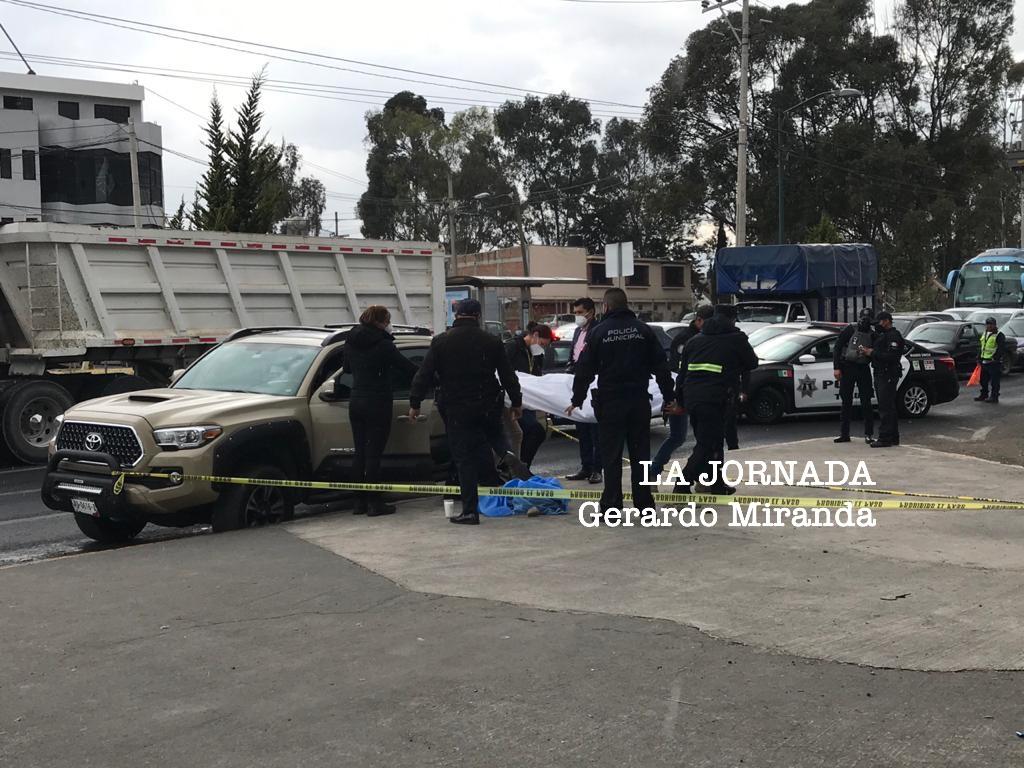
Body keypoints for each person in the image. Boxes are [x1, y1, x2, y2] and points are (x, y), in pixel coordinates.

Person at [409, 298, 522, 525]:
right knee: (489, 444)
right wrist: (517, 402)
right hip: (489, 404)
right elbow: (508, 375)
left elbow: (424, 374)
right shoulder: (492, 341)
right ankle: (503, 472)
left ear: (457, 315)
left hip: (457, 408)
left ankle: (470, 510)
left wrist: (415, 402)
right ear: (478, 316)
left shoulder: (441, 342)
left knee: (464, 458)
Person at [566, 288, 674, 514]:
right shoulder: (643, 330)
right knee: (640, 456)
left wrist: (577, 398)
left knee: (611, 457)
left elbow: (584, 369)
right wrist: (669, 397)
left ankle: (611, 507)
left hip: (611, 403)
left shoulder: (599, 332)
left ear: (605, 307)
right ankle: (645, 507)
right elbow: (662, 367)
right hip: (638, 402)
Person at [342, 305, 419, 517]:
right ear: (380, 322)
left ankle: (358, 502)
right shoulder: (384, 345)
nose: (389, 325)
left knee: (360, 452)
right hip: (378, 401)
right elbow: (407, 368)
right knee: (374, 453)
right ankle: (374, 503)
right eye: (387, 320)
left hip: (356, 399)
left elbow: (347, 368)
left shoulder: (351, 339)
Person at [674, 305, 759, 494]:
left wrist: (679, 401)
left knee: (713, 442)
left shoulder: (695, 340)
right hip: (715, 399)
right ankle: (682, 484)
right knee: (706, 444)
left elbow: (682, 374)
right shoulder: (736, 339)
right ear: (731, 320)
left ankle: (716, 483)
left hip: (692, 398)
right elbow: (752, 363)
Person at [651, 305, 714, 475]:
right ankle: (652, 473)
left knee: (703, 439)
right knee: (677, 437)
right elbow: (678, 370)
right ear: (698, 321)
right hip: (680, 392)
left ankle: (704, 477)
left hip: (695, 392)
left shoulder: (702, 337)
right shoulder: (686, 339)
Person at [503, 323, 552, 469]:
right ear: (535, 335)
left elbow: (536, 376)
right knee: (530, 431)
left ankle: (523, 466)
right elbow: (505, 371)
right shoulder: (513, 348)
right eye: (542, 343)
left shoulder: (534, 354)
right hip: (512, 399)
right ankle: (518, 467)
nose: (542, 347)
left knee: (535, 432)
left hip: (526, 400)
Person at [564, 297, 603, 484]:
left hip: (594, 382)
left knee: (595, 429)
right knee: (582, 428)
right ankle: (586, 467)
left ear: (590, 312)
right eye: (576, 313)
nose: (577, 316)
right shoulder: (578, 331)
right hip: (578, 380)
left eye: (580, 313)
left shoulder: (598, 330)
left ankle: (597, 469)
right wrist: (571, 365)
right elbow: (575, 353)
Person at [832, 308, 876, 444]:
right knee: (846, 402)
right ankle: (844, 434)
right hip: (848, 367)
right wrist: (837, 367)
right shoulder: (850, 329)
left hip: (863, 369)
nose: (865, 321)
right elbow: (837, 347)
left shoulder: (873, 334)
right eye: (863, 318)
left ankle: (869, 434)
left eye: (867, 319)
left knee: (866, 403)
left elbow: (877, 352)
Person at [860, 310, 903, 448]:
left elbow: (892, 356)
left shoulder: (893, 336)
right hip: (880, 372)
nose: (876, 326)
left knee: (885, 407)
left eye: (878, 322)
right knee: (888, 407)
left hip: (887, 374)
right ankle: (893, 437)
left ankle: (885, 438)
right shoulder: (883, 336)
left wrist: (872, 352)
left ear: (886, 321)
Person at [975, 316, 1005, 404]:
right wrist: (979, 357)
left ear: (995, 325)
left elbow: (1001, 348)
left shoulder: (999, 335)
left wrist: (996, 358)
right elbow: (982, 347)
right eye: (987, 324)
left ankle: (994, 396)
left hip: (994, 362)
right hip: (984, 361)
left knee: (994, 381)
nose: (989, 326)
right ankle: (984, 394)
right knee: (983, 380)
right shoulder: (984, 333)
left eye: (991, 324)